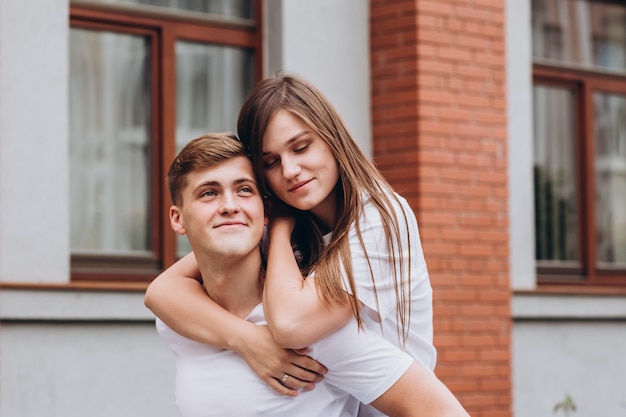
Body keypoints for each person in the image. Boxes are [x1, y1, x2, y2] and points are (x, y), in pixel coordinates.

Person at [145, 73, 466, 415]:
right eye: (270, 162)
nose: (291, 170)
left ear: (331, 138)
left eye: (301, 147)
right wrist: (247, 340)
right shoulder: (283, 216)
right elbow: (161, 292)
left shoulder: (378, 218)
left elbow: (290, 326)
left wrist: (281, 226)